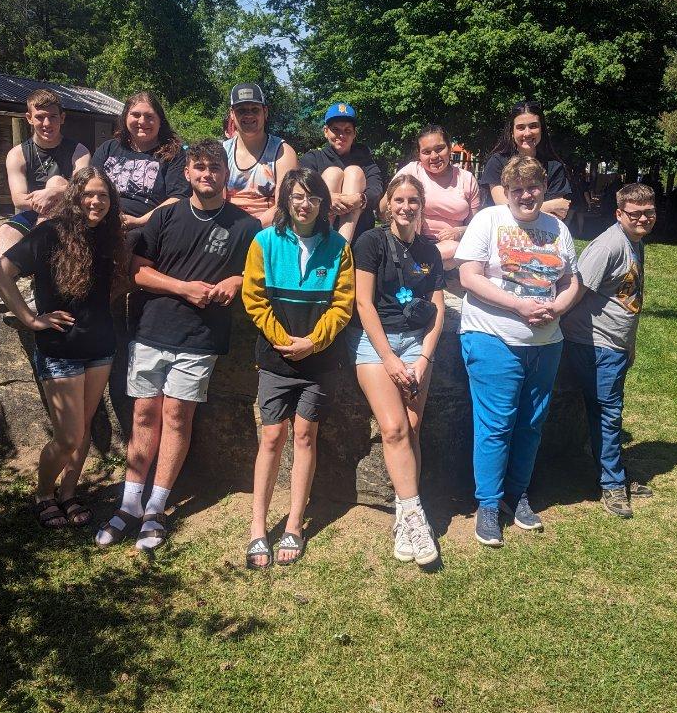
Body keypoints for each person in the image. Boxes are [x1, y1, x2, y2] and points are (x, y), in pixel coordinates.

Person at [95, 139, 260, 550]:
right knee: (144, 415)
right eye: (199, 168)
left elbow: (250, 275)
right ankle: (129, 504)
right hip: (152, 328)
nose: (207, 175)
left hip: (200, 338)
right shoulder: (166, 216)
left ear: (226, 174)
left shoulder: (245, 226)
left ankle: (156, 507)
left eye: (214, 168)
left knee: (176, 418)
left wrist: (233, 282)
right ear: (187, 173)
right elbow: (137, 272)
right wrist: (184, 288)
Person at [455, 155, 581, 547]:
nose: (527, 195)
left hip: (546, 342)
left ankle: (517, 494)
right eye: (518, 189)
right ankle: (488, 504)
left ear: (544, 189)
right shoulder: (488, 221)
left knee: (531, 422)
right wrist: (518, 306)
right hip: (493, 336)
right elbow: (468, 275)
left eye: (533, 187)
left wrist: (557, 308)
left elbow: (570, 280)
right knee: (496, 425)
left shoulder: (556, 227)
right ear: (506, 192)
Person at [0, 167, 125, 528]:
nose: (96, 202)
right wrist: (31, 319)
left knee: (81, 431)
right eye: (89, 194)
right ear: (76, 196)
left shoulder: (109, 237)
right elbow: (0, 273)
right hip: (59, 348)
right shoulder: (50, 233)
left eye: (104, 196)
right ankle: (44, 494)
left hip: (100, 347)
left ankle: (69, 493)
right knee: (67, 436)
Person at [241, 168, 354, 568]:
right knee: (271, 437)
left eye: (313, 198)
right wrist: (284, 341)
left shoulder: (338, 246)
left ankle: (293, 524)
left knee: (305, 435)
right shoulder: (264, 242)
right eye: (298, 197)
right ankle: (258, 526)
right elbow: (253, 297)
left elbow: (342, 304)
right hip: (274, 358)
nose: (305, 205)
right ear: (286, 200)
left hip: (319, 360)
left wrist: (314, 342)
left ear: (323, 204)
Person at [350, 173, 445, 566]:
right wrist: (389, 357)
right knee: (393, 427)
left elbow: (437, 308)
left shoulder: (430, 252)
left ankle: (404, 517)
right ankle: (415, 517)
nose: (405, 207)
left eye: (413, 201)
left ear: (422, 206)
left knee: (412, 427)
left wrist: (423, 358)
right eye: (399, 200)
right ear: (387, 203)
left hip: (416, 345)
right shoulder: (371, 242)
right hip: (375, 344)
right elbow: (364, 304)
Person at [561, 183, 656, 519]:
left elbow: (627, 299)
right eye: (634, 214)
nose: (642, 219)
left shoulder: (635, 242)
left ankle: (611, 473)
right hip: (593, 344)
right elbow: (576, 288)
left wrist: (628, 344)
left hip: (614, 344)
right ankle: (613, 485)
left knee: (605, 410)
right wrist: (552, 324)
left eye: (648, 212)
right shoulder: (608, 246)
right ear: (619, 214)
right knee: (607, 412)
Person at [0, 89, 90, 313]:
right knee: (8, 229)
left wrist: (53, 192)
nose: (46, 123)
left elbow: (82, 189)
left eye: (53, 117)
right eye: (40, 117)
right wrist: (45, 198)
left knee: (57, 181)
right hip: (30, 214)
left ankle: (37, 291)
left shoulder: (78, 151)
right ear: (29, 118)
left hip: (67, 217)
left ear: (62, 118)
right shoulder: (18, 154)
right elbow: (18, 199)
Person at [91, 91, 190, 232]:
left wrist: (138, 221)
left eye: (149, 116)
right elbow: (88, 185)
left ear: (160, 121)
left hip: (147, 227)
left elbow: (178, 197)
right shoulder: (108, 148)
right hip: (102, 219)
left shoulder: (174, 154)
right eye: (136, 115)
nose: (142, 121)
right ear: (125, 117)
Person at [392, 125, 481, 262]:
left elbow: (475, 226)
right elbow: (386, 204)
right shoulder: (411, 171)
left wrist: (459, 231)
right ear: (419, 154)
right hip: (412, 239)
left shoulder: (467, 179)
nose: (434, 156)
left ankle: (423, 265)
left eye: (439, 149)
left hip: (453, 247)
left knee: (454, 249)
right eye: (426, 152)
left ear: (450, 148)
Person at [298, 102, 383, 243]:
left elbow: (376, 188)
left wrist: (358, 199)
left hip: (359, 232)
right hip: (317, 227)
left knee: (354, 171)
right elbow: (300, 186)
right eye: (335, 130)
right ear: (326, 131)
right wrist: (327, 197)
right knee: (333, 173)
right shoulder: (313, 158)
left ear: (354, 133)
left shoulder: (366, 159)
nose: (341, 135)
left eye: (347, 130)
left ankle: (342, 247)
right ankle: (323, 242)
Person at [479, 101, 572, 222]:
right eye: (521, 127)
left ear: (541, 129)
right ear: (512, 132)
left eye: (533, 126)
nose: (527, 133)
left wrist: (551, 208)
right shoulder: (497, 162)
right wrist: (549, 206)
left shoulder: (555, 167)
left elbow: (557, 215)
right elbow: (504, 209)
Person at [224, 83, 300, 226]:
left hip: (268, 231)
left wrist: (249, 229)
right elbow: (216, 201)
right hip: (228, 228)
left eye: (255, 109)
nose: (248, 115)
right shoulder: (222, 152)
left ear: (265, 112)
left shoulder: (283, 153)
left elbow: (285, 205)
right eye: (241, 110)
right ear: (232, 114)